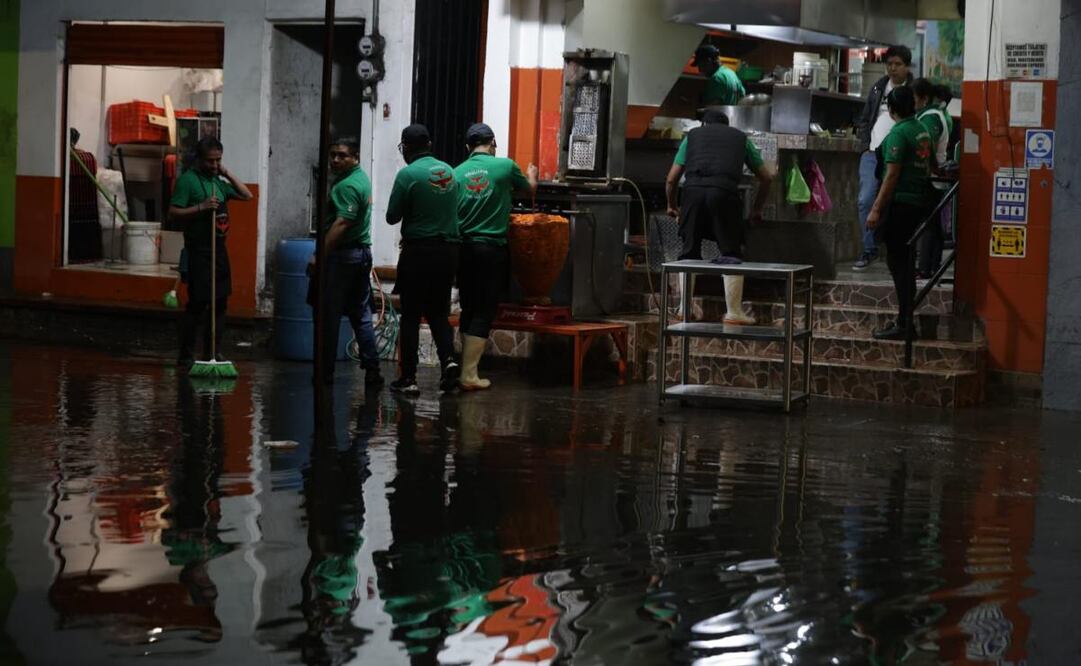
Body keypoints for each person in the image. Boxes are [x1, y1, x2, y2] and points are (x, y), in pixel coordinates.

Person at [665, 108, 773, 325]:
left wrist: (672, 206)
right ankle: (733, 312)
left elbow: (671, 179)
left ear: (704, 125)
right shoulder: (740, 139)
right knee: (730, 251)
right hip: (724, 193)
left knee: (689, 251)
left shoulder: (692, 137)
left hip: (693, 193)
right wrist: (757, 209)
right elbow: (767, 177)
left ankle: (684, 309)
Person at [453, 123, 538, 391]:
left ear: (468, 147)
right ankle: (469, 375)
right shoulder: (505, 166)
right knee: (484, 308)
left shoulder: (456, 173)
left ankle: (464, 370)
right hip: (491, 249)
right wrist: (532, 175)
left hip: (463, 249)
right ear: (493, 143)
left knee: (468, 307)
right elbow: (529, 190)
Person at [386, 124, 461, 395]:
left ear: (406, 148)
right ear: (429, 144)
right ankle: (449, 362)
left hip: (418, 252)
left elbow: (392, 216)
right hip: (447, 252)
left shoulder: (407, 175)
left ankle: (409, 378)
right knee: (438, 312)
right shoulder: (450, 172)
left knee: (411, 315)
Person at [168, 137, 254, 370]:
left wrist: (226, 172)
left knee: (220, 302)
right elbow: (173, 211)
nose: (215, 164)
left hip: (219, 250)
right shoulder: (188, 181)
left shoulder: (218, 182)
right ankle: (186, 355)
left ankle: (212, 352)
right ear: (199, 159)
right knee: (198, 304)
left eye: (218, 160)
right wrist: (201, 207)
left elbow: (247, 195)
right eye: (210, 161)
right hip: (199, 250)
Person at [309, 138, 383, 388]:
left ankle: (325, 373)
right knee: (360, 315)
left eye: (342, 155)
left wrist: (319, 255)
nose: (335, 160)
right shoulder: (360, 178)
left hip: (343, 257)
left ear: (355, 157)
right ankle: (372, 370)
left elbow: (342, 223)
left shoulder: (347, 185)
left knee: (328, 315)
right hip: (360, 255)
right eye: (333, 155)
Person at [865, 86, 934, 341]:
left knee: (898, 264)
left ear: (892, 109)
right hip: (917, 203)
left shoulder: (899, 132)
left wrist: (875, 209)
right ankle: (905, 321)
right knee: (905, 263)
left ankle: (905, 323)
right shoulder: (921, 129)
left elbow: (892, 174)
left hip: (900, 204)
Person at [853, 45, 913, 271]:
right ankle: (869, 249)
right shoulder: (878, 87)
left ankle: (898, 251)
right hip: (872, 152)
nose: (893, 68)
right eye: (889, 64)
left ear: (907, 66)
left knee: (897, 203)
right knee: (865, 199)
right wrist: (865, 146)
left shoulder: (913, 90)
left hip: (900, 155)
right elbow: (865, 118)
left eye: (898, 64)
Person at [913, 79, 950, 279]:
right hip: (935, 177)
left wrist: (925, 171)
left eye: (913, 98)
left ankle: (925, 267)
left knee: (928, 224)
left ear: (924, 98)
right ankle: (932, 267)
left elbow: (926, 148)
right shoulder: (935, 115)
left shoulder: (930, 118)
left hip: (930, 178)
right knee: (933, 224)